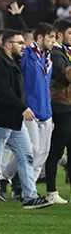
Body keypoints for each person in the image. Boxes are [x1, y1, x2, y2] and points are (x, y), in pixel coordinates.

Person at [0, 30, 52, 211]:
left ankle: (29, 197)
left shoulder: (14, 62)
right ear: (8, 45)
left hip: (14, 121)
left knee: (26, 155)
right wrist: (22, 108)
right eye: (19, 43)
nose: (23, 46)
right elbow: (3, 92)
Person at [0, 23, 55, 199]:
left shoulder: (48, 58)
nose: (54, 41)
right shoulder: (27, 54)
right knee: (32, 150)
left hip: (46, 111)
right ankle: (3, 176)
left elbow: (46, 87)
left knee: (42, 154)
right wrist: (16, 19)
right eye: (50, 37)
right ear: (40, 38)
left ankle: (27, 191)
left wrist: (51, 112)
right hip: (30, 111)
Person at [44, 19, 71, 205]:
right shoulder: (56, 53)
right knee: (55, 151)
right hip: (60, 108)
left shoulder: (65, 52)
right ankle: (51, 191)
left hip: (68, 106)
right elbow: (65, 76)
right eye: (70, 33)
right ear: (60, 34)